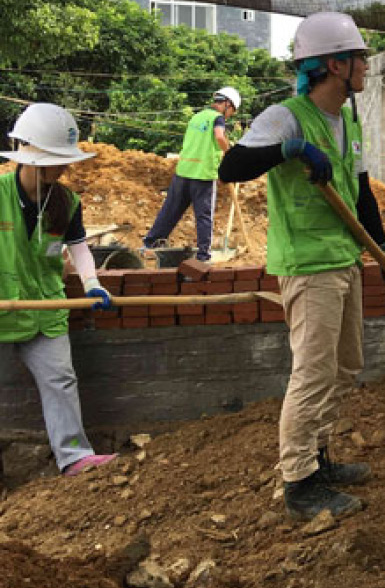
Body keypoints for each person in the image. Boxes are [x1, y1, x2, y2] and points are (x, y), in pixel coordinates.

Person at [218, 12, 385, 521]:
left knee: (345, 366)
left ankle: (319, 456)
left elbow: (361, 193)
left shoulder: (347, 118)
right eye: (360, 57)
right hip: (307, 264)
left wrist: (384, 252)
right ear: (333, 64)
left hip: (344, 256)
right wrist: (288, 149)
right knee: (314, 370)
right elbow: (230, 167)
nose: (367, 65)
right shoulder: (287, 117)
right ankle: (299, 480)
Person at [0, 103, 118, 477]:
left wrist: (92, 283)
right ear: (32, 155)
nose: (65, 167)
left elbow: (78, 246)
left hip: (45, 307)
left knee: (61, 380)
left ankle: (74, 456)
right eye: (57, 159)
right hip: (3, 309)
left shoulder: (65, 201)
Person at [142, 87, 240, 262]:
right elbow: (219, 136)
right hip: (202, 175)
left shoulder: (197, 117)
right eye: (232, 110)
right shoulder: (217, 118)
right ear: (226, 104)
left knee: (170, 210)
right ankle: (203, 255)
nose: (230, 115)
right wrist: (231, 153)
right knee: (204, 216)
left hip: (183, 171)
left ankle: (149, 245)